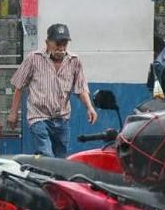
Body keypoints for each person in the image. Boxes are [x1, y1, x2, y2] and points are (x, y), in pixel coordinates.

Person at [7, 23, 98, 158]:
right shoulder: (34, 59)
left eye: (64, 43)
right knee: (47, 155)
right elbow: (19, 86)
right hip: (38, 117)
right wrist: (13, 113)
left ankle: (45, 176)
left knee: (60, 159)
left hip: (62, 119)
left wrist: (90, 107)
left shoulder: (74, 61)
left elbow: (81, 88)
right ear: (48, 42)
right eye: (57, 43)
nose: (61, 48)